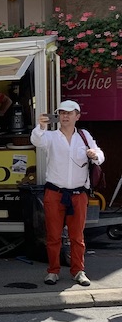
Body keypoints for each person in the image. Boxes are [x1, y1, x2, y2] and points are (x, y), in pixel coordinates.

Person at [30, 100, 104, 287]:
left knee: (77, 236)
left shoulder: (84, 135)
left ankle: (78, 270)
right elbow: (36, 140)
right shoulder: (51, 136)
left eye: (69, 113)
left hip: (79, 193)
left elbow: (100, 155)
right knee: (53, 236)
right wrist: (41, 126)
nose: (65, 116)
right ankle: (53, 271)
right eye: (62, 113)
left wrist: (95, 155)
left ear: (77, 116)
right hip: (55, 192)